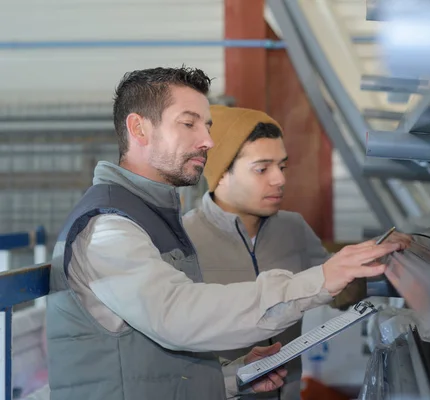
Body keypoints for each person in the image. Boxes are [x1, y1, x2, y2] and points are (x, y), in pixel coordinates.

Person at [44, 66, 401, 400]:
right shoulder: (108, 227)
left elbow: (152, 361)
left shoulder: (154, 218)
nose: (208, 141)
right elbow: (176, 317)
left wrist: (233, 376)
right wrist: (318, 281)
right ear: (139, 129)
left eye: (207, 125)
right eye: (189, 124)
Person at [183, 105, 411, 400]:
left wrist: (365, 265)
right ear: (222, 174)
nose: (279, 179)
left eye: (282, 166)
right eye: (262, 169)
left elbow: (339, 294)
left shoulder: (293, 228)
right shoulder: (185, 241)